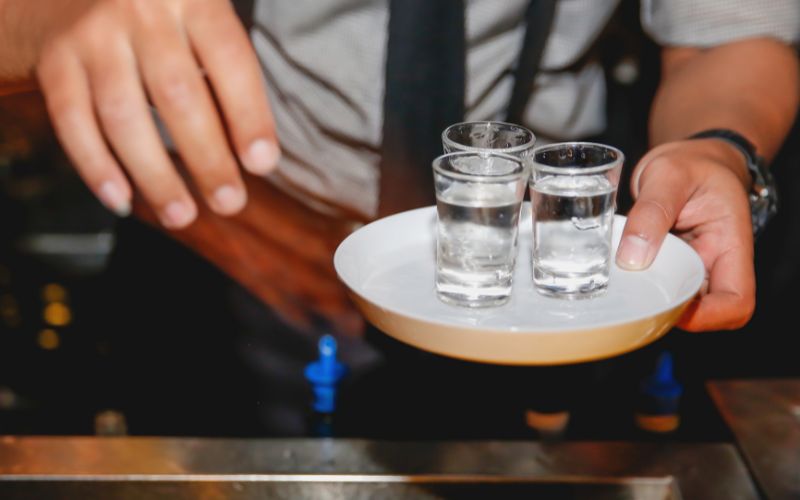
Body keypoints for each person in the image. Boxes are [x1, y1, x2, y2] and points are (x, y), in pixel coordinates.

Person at [0, 0, 798, 435]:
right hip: (237, 254)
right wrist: (50, 17)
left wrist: (720, 146)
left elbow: (727, 35)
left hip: (544, 282)